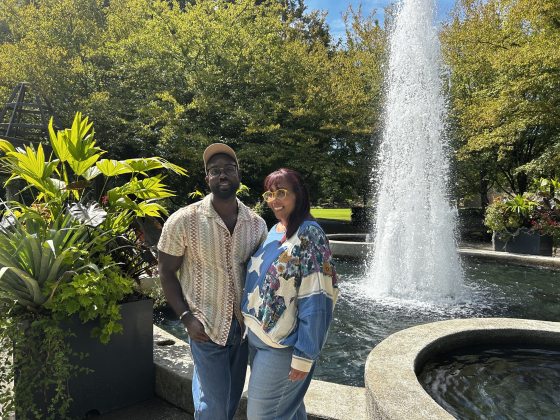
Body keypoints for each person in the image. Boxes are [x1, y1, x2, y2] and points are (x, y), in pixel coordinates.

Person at [157, 143, 267, 420]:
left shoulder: (256, 224)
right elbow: (166, 272)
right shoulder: (183, 221)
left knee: (228, 401)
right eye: (215, 170)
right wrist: (185, 317)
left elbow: (262, 276)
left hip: (241, 331)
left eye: (229, 169)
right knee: (214, 409)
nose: (222, 175)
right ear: (206, 178)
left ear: (238, 175)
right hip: (205, 327)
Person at [241, 168, 338, 420]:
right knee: (289, 412)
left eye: (281, 192)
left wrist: (305, 355)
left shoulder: (310, 234)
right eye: (269, 194)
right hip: (259, 337)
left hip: (281, 348)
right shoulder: (276, 229)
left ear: (299, 194)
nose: (274, 200)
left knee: (262, 416)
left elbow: (318, 297)